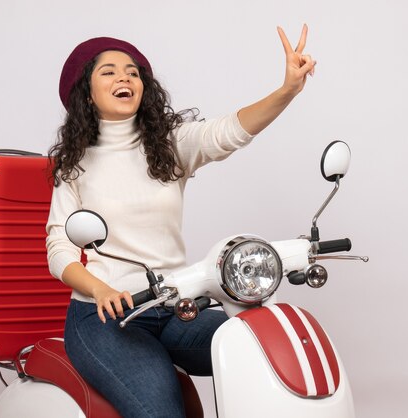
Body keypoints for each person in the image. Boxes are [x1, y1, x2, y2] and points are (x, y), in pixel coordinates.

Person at [45, 25, 316, 418]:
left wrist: (287, 89)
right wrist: (101, 289)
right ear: (86, 91)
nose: (125, 76)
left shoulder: (169, 146)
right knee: (162, 410)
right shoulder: (74, 167)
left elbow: (230, 132)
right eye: (109, 71)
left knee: (263, 345)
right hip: (106, 320)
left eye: (133, 71)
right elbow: (59, 249)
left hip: (175, 307)